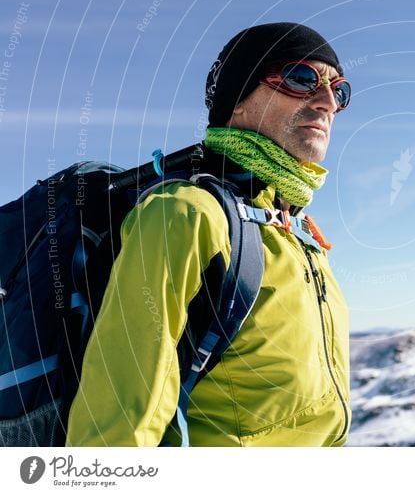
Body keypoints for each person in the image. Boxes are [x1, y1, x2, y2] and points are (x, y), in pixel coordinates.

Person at [66, 22, 351, 446]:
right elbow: (121, 421)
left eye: (339, 90)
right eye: (302, 77)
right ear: (236, 101)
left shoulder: (299, 233)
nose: (328, 102)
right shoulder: (186, 214)